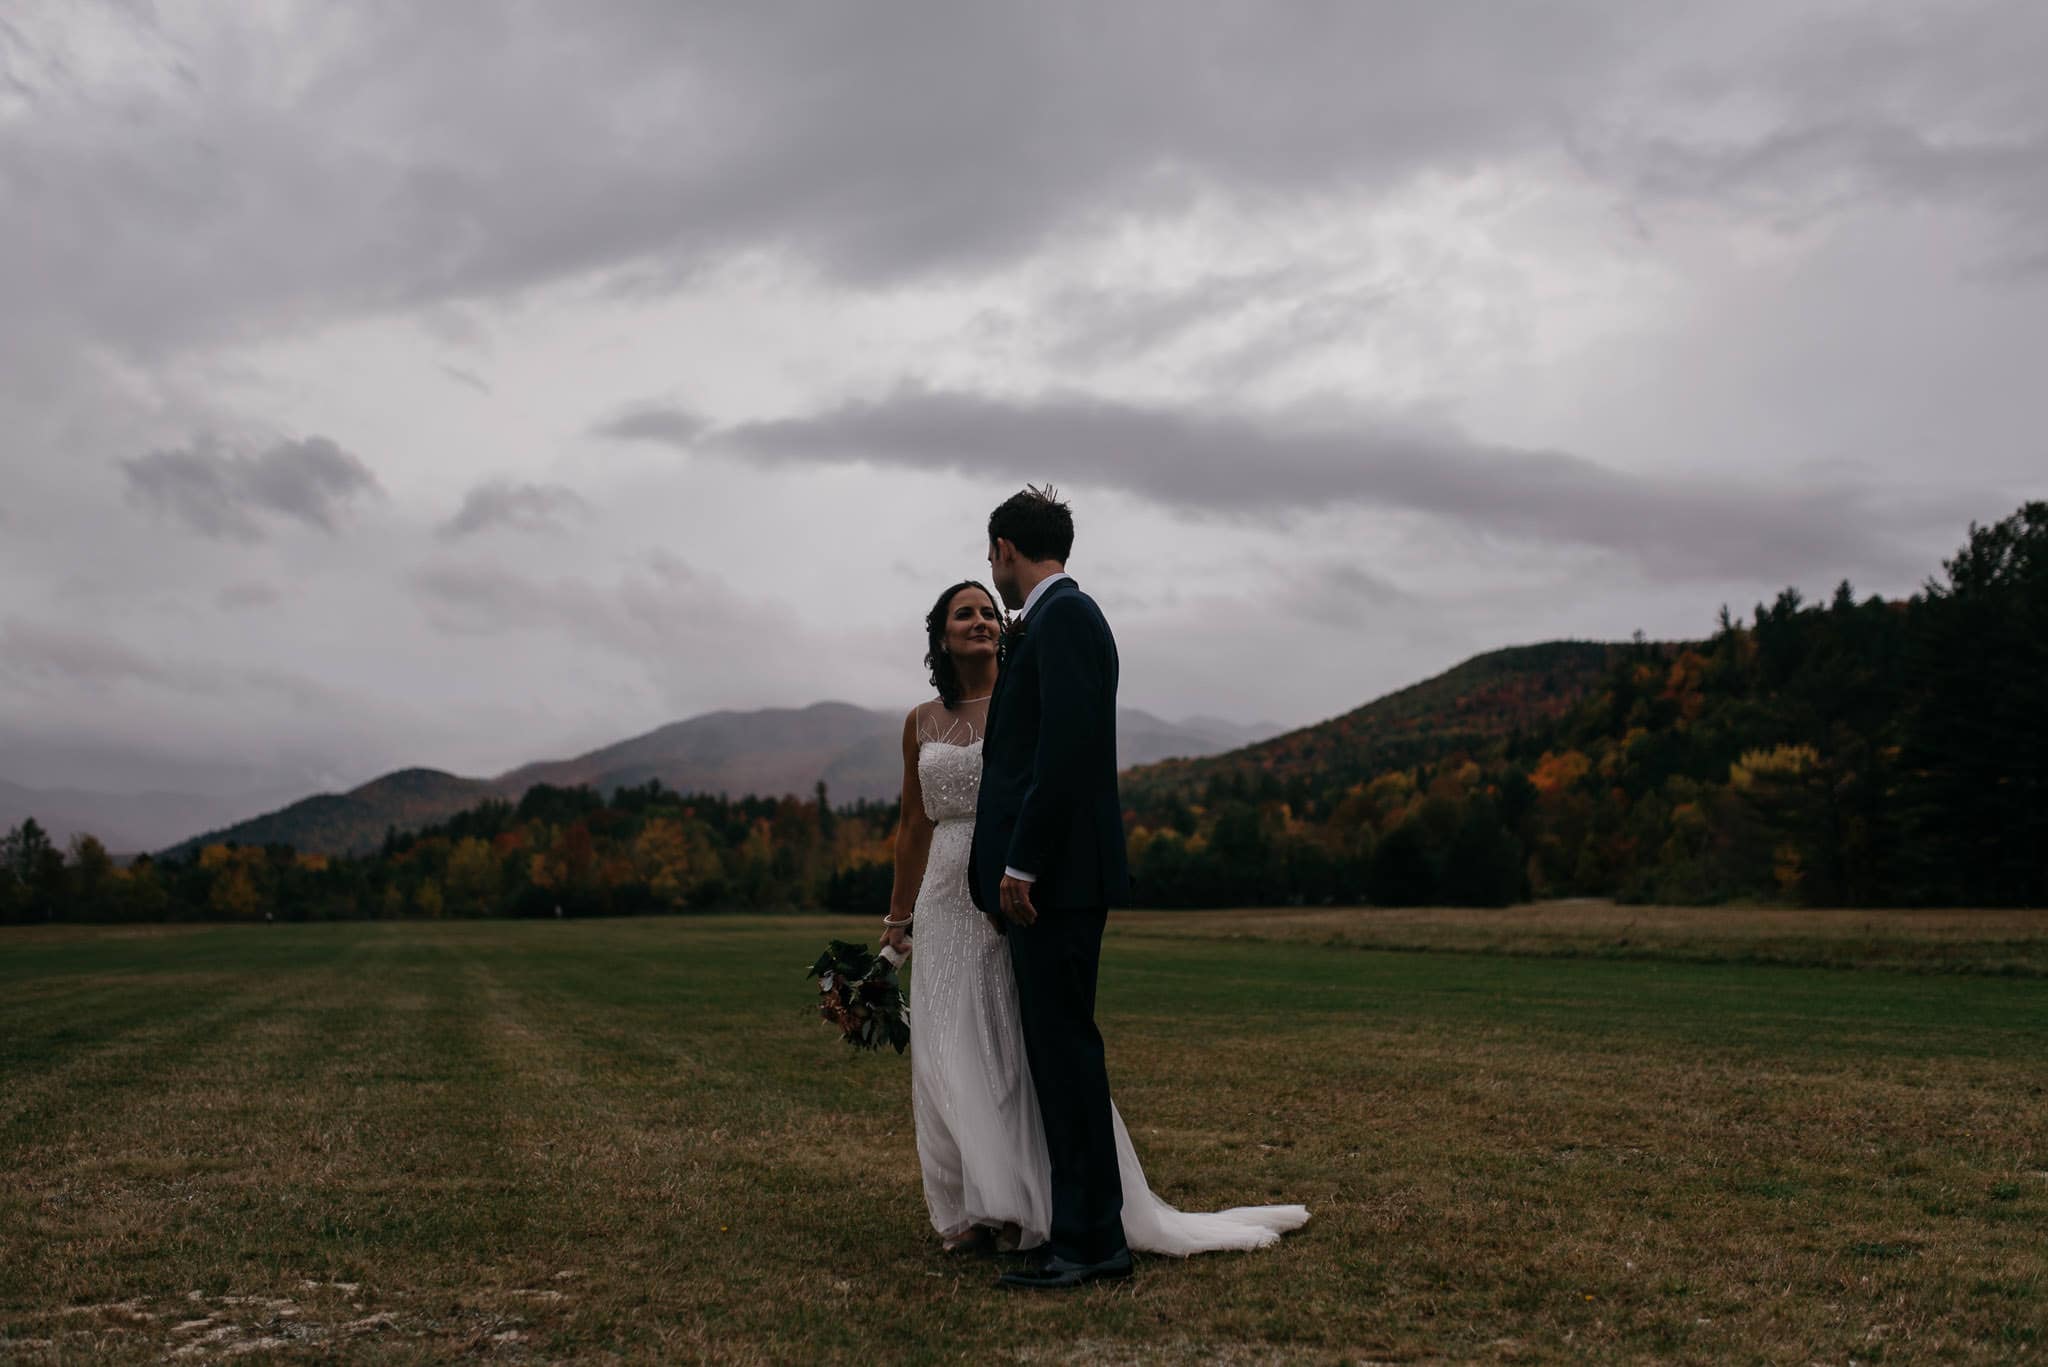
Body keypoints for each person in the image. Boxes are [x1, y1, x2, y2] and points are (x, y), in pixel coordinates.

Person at [884, 487, 1307, 1290]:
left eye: (991, 560)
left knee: (1064, 1053)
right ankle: (1072, 1225)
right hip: (1023, 882)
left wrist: (1020, 865)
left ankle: (1089, 1242)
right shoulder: (1044, 626)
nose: (989, 582)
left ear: (1006, 547)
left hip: (1054, 882)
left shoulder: (1066, 618)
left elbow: (1070, 754)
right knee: (1050, 1053)